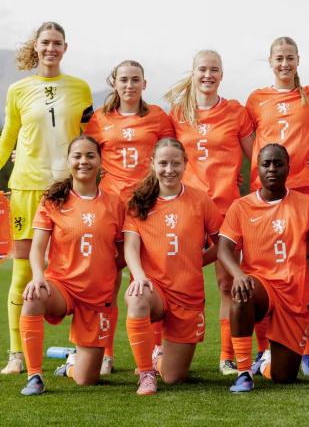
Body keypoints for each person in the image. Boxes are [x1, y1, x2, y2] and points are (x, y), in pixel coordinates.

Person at [0, 22, 93, 374]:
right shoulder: (18, 90)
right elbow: (8, 137)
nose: (51, 48)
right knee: (23, 270)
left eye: (57, 43)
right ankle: (16, 354)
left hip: (66, 190)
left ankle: (78, 351)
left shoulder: (80, 88)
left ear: (65, 48)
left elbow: (90, 137)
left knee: (73, 271)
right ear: (36, 47)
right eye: (45, 43)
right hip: (26, 187)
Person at [165, 50, 253, 375]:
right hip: (186, 209)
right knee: (172, 280)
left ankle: (227, 356)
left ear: (222, 74)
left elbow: (257, 157)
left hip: (226, 208)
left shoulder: (236, 112)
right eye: (202, 69)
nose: (208, 75)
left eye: (214, 69)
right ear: (193, 72)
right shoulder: (178, 114)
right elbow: (166, 160)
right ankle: (162, 350)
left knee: (228, 283)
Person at [85, 59, 174, 374]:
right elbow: (86, 157)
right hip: (110, 208)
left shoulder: (158, 117)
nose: (129, 85)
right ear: (115, 83)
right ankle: (105, 352)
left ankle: (155, 351)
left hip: (147, 207)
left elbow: (171, 157)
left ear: (144, 84)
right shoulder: (100, 119)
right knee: (106, 281)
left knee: (152, 277)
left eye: (135, 79)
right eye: (124, 79)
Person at [246, 37, 309, 374]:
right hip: (265, 197)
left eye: (290, 57)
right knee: (263, 272)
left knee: (305, 273)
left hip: (303, 193)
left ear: (298, 60)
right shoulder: (256, 99)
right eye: (279, 58)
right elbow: (249, 143)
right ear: (270, 61)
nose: (284, 63)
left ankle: (307, 352)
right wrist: (261, 169)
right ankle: (262, 350)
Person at [19, 135, 123, 395]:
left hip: (96, 296)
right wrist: (38, 276)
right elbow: (37, 248)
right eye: (77, 156)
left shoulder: (115, 204)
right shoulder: (53, 200)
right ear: (68, 161)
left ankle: (71, 363)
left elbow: (124, 252)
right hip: (61, 286)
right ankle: (34, 376)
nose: (83, 161)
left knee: (86, 380)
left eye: (90, 155)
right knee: (33, 297)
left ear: (100, 161)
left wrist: (105, 271)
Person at [123, 138, 222, 395]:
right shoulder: (139, 201)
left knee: (174, 377)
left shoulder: (199, 200)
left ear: (185, 164)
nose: (169, 169)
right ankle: (146, 374)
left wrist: (196, 260)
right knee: (137, 297)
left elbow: (223, 244)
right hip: (154, 288)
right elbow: (130, 247)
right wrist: (140, 276)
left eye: (175, 163)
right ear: (153, 164)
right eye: (163, 163)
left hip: (187, 294)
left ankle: (158, 360)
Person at [218, 143, 309, 392]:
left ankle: (264, 364)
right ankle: (243, 373)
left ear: (288, 168)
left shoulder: (307, 205)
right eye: (266, 164)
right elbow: (223, 250)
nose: (272, 168)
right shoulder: (241, 207)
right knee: (241, 293)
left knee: (284, 377)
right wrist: (238, 274)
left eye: (278, 164)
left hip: (293, 294)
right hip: (260, 285)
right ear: (257, 169)